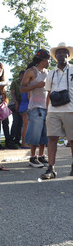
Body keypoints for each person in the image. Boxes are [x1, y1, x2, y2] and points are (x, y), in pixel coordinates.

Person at [40, 42, 73, 180]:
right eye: (58, 52)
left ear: (68, 55)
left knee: (72, 140)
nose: (61, 54)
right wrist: (48, 112)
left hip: (71, 109)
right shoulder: (51, 74)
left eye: (64, 52)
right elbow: (48, 94)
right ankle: (51, 168)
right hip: (53, 110)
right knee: (52, 138)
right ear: (55, 56)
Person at [20, 49, 50, 168]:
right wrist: (36, 85)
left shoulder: (48, 72)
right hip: (35, 107)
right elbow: (22, 88)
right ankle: (33, 157)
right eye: (48, 59)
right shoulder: (31, 72)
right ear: (43, 60)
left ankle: (41, 155)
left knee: (44, 133)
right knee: (35, 133)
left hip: (46, 107)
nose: (49, 61)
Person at [9, 71, 24, 145]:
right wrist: (16, 103)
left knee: (21, 123)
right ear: (20, 75)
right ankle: (11, 139)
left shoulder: (26, 83)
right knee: (15, 122)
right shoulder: (15, 82)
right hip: (15, 104)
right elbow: (12, 93)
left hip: (23, 104)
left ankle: (17, 139)